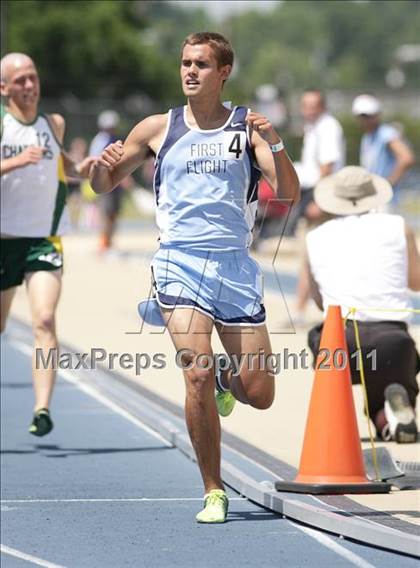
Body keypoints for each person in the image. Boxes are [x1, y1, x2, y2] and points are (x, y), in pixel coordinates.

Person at [91, 32, 300, 522]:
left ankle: (232, 377)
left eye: (201, 64)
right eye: (185, 62)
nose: (189, 71)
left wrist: (276, 142)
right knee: (197, 372)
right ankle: (213, 489)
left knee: (260, 394)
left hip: (234, 266)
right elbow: (103, 185)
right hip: (178, 262)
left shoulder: (245, 127)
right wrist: (100, 170)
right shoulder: (156, 128)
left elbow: (288, 191)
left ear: (223, 71)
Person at [0, 53, 95, 436]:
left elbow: (64, 166)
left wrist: (83, 167)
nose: (29, 85)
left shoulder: (52, 124)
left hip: (43, 238)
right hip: (4, 239)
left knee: (44, 319)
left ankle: (42, 409)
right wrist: (14, 162)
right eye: (20, 80)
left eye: (32, 78)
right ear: (4, 88)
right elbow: (23, 161)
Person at [305, 166, 419, 443]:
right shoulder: (398, 226)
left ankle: (345, 418)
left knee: (318, 339)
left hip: (342, 342)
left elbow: (320, 302)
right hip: (394, 339)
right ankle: (392, 413)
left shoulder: (315, 237)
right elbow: (416, 282)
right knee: (390, 372)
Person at [289, 89, 345, 326]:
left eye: (313, 105)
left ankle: (317, 309)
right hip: (314, 193)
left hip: (322, 195)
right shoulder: (314, 128)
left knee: (315, 255)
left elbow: (327, 166)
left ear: (322, 106)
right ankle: (303, 309)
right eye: (305, 105)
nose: (308, 109)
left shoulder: (327, 127)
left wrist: (318, 201)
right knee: (309, 256)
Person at [352, 94, 415, 209]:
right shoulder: (368, 137)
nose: (365, 120)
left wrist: (388, 184)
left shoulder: (386, 133)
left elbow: (407, 158)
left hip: (386, 201)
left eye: (368, 116)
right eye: (362, 116)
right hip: (373, 199)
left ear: (377, 115)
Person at [89, 110, 133, 253]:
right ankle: (104, 244)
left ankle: (108, 243)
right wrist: (123, 178)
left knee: (113, 214)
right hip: (107, 183)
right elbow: (99, 163)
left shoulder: (111, 138)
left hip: (116, 183)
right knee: (107, 214)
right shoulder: (101, 141)